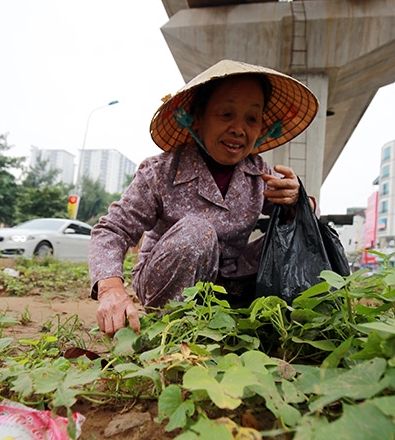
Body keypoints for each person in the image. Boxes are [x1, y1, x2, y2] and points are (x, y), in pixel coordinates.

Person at [89, 59, 319, 336]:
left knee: (294, 235)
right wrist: (111, 288)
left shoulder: (258, 173)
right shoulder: (161, 172)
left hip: (230, 283)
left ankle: (271, 323)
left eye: (251, 118)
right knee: (197, 231)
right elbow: (112, 229)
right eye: (226, 115)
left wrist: (297, 200)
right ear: (197, 119)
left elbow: (300, 219)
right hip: (165, 281)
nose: (238, 128)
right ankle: (176, 329)